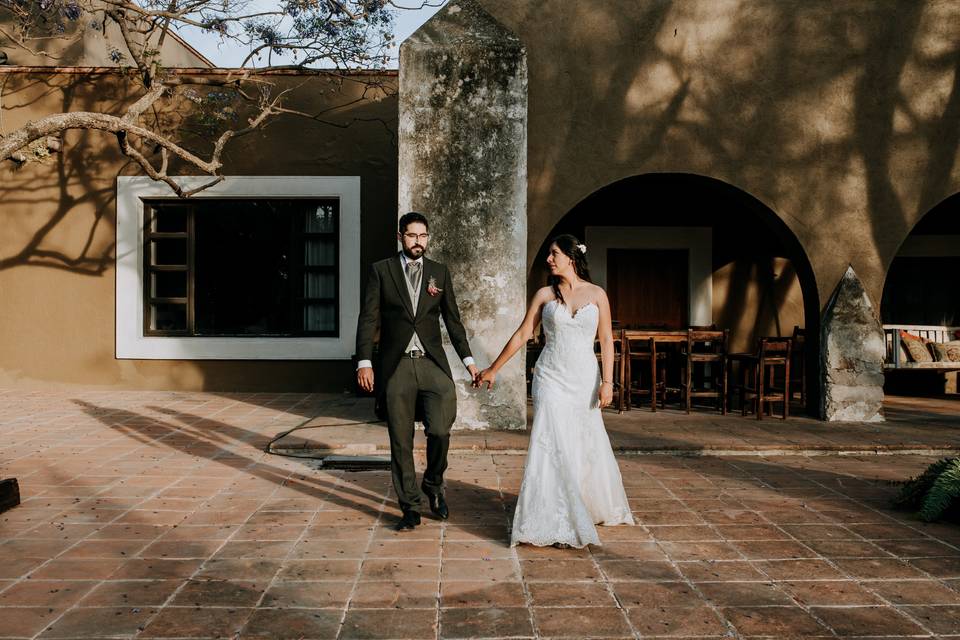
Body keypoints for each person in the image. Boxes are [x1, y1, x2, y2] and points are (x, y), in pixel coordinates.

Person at [476, 234, 634, 548]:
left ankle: (580, 501)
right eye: (549, 253)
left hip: (584, 378)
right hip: (550, 377)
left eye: (554, 254)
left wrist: (608, 382)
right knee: (552, 440)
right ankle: (553, 514)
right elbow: (523, 334)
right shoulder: (545, 295)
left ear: (571, 258)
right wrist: (493, 368)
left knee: (578, 441)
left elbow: (606, 341)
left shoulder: (597, 294)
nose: (549, 259)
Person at [356, 212, 479, 531]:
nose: (418, 242)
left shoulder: (439, 272)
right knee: (401, 439)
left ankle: (434, 485)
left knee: (439, 429)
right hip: (395, 365)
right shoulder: (381, 271)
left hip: (431, 364)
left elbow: (453, 320)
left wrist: (468, 361)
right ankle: (409, 506)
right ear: (400, 237)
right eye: (412, 236)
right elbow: (369, 318)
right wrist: (365, 360)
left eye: (423, 236)